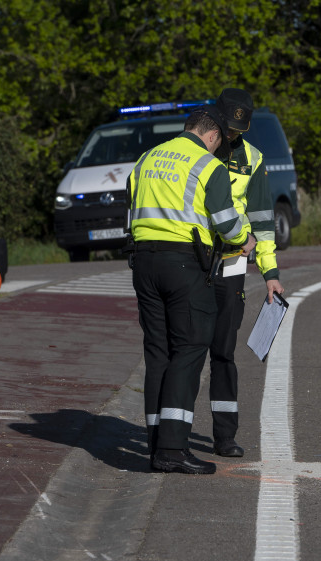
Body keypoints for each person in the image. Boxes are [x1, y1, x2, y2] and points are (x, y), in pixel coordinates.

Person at [128, 105, 256, 474]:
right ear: (213, 135)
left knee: (158, 353)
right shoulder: (208, 166)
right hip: (184, 264)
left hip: (143, 262)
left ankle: (155, 441)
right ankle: (172, 448)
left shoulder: (146, 159)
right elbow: (226, 223)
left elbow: (131, 209)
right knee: (191, 347)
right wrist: (245, 240)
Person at [207, 88, 285, 458]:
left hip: (233, 263)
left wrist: (270, 273)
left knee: (224, 351)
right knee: (188, 351)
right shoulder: (196, 150)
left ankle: (224, 436)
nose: (234, 135)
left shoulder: (253, 159)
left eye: (240, 129)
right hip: (193, 262)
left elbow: (263, 224)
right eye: (229, 128)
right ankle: (174, 433)